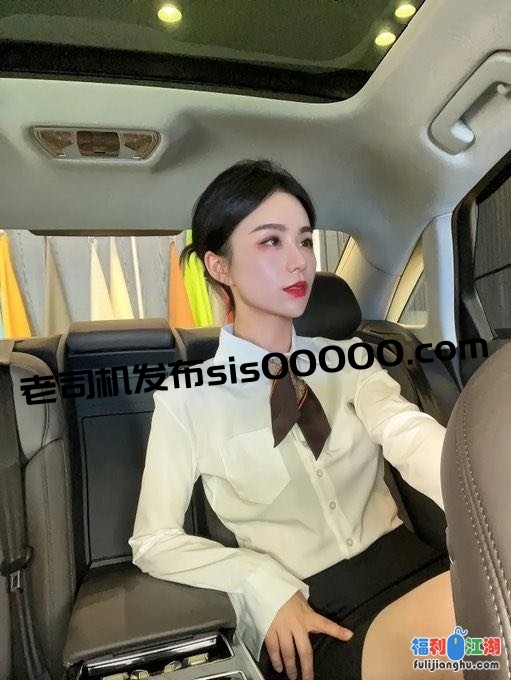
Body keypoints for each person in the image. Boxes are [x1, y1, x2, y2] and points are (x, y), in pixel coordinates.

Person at [129, 159, 461, 680]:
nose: (299, 262)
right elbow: (153, 540)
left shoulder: (350, 359)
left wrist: (483, 501)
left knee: (488, 641)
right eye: (271, 241)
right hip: (308, 609)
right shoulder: (186, 399)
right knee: (478, 645)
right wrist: (256, 580)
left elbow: (405, 432)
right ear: (219, 267)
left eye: (305, 241)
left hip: (413, 565)